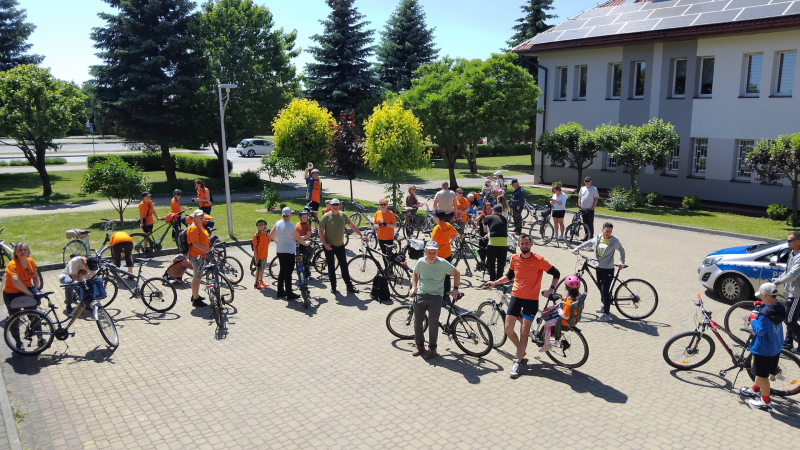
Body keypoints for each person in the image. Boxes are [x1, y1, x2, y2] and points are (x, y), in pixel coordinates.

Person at [485, 234, 560, 379]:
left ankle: (517, 362)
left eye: (527, 243)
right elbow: (509, 275)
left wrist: (551, 289)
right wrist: (496, 282)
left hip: (531, 300)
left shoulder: (539, 260)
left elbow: (556, 273)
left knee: (524, 331)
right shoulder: (515, 258)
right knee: (508, 328)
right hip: (516, 297)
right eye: (522, 243)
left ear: (531, 244)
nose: (524, 246)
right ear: (518, 244)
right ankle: (521, 350)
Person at [409, 241, 460, 359]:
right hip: (421, 294)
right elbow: (415, 273)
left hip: (436, 296)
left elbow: (456, 273)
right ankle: (420, 346)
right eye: (429, 252)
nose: (432, 255)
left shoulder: (442, 263)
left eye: (434, 252)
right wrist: (414, 287)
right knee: (417, 322)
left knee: (433, 323)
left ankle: (432, 349)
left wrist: (455, 288)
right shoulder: (420, 262)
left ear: (437, 252)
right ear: (425, 251)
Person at [739, 282, 786, 410]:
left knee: (762, 376)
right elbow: (770, 315)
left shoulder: (765, 314)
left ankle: (765, 402)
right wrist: (762, 307)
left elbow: (759, 330)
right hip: (775, 346)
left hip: (764, 349)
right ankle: (755, 389)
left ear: (765, 295)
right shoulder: (779, 306)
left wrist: (753, 320)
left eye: (760, 296)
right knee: (760, 372)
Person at [572, 222, 625, 322]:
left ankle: (606, 315)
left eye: (610, 231)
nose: (608, 233)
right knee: (601, 289)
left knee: (605, 291)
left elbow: (622, 250)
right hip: (598, 268)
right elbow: (588, 242)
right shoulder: (597, 238)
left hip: (608, 269)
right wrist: (578, 248)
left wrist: (621, 262)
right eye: (606, 231)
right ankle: (605, 305)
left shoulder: (614, 241)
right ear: (602, 230)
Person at [319, 198, 368, 294]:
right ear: (330, 206)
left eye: (337, 204)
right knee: (331, 267)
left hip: (340, 245)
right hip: (329, 246)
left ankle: (349, 286)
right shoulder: (326, 216)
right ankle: (333, 287)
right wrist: (325, 244)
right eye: (333, 205)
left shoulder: (343, 215)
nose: (335, 206)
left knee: (344, 266)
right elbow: (320, 231)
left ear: (340, 205)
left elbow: (352, 226)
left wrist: (361, 235)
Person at [3, 243, 42, 348]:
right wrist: (29, 293)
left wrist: (35, 289)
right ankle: (18, 342)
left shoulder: (31, 261)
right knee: (14, 319)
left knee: (34, 315)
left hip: (27, 290)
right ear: (15, 252)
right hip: (12, 294)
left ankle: (40, 338)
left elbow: (35, 277)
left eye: (25, 249)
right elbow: (16, 281)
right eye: (20, 250)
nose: (23, 252)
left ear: (28, 251)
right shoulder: (12, 264)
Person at [270, 208, 310, 300]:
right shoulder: (290, 226)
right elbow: (298, 238)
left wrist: (277, 242)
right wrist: (305, 243)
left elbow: (271, 235)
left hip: (280, 251)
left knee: (282, 271)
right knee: (288, 273)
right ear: (290, 215)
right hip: (289, 252)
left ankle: (280, 291)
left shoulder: (278, 223)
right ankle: (289, 293)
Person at [771, 231, 800, 353]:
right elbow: (788, 271)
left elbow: (793, 274)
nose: (787, 242)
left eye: (789, 240)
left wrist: (779, 282)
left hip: (797, 294)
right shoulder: (792, 254)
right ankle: (788, 342)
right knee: (790, 318)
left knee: (789, 320)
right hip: (791, 291)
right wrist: (778, 279)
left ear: (798, 242)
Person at [539, 275, 581, 352]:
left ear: (566, 287)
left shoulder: (568, 303)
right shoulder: (578, 297)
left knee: (547, 324)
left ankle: (547, 344)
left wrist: (559, 309)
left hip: (565, 320)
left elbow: (565, 316)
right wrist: (562, 298)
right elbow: (569, 301)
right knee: (555, 307)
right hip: (574, 317)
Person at [430, 210, 459, 295]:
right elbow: (455, 234)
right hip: (448, 254)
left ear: (437, 218)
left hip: (439, 255)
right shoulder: (448, 225)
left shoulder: (437, 228)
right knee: (447, 275)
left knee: (438, 275)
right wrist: (450, 241)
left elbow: (432, 242)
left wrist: (436, 247)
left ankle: (439, 293)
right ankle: (447, 294)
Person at [187, 210, 211, 307]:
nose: (202, 217)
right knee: (197, 277)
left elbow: (201, 238)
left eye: (202, 215)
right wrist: (207, 249)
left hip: (201, 255)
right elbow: (195, 244)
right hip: (196, 256)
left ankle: (195, 295)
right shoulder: (193, 228)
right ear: (194, 217)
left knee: (199, 276)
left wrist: (209, 239)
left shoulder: (200, 226)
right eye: (199, 216)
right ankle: (196, 300)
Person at [483, 204, 509, 282]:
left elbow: (485, 230)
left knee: (491, 262)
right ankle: (499, 280)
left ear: (493, 211)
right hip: (504, 243)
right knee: (501, 263)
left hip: (493, 243)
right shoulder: (505, 219)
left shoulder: (488, 217)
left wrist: (487, 235)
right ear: (501, 212)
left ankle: (492, 279)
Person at [252, 218, 271, 290]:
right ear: (257, 226)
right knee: (258, 270)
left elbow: (268, 242)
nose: (261, 226)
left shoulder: (266, 234)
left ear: (265, 225)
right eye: (259, 225)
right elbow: (254, 246)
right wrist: (256, 257)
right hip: (259, 256)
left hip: (264, 255)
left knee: (262, 269)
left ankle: (261, 281)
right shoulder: (256, 235)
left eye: (262, 224)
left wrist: (269, 237)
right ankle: (256, 284)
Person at [296, 210, 313, 278]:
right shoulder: (297, 224)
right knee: (298, 257)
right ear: (300, 217)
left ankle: (307, 273)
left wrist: (300, 238)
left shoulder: (307, 225)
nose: (305, 218)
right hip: (298, 243)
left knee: (306, 259)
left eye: (306, 217)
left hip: (304, 243)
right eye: (303, 217)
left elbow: (308, 235)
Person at [475, 202, 493, 268]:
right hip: (482, 235)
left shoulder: (493, 216)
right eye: (486, 208)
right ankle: (482, 263)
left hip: (489, 236)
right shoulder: (483, 216)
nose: (487, 210)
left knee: (489, 251)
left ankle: (488, 266)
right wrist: (481, 216)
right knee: (481, 250)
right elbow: (476, 220)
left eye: (489, 209)